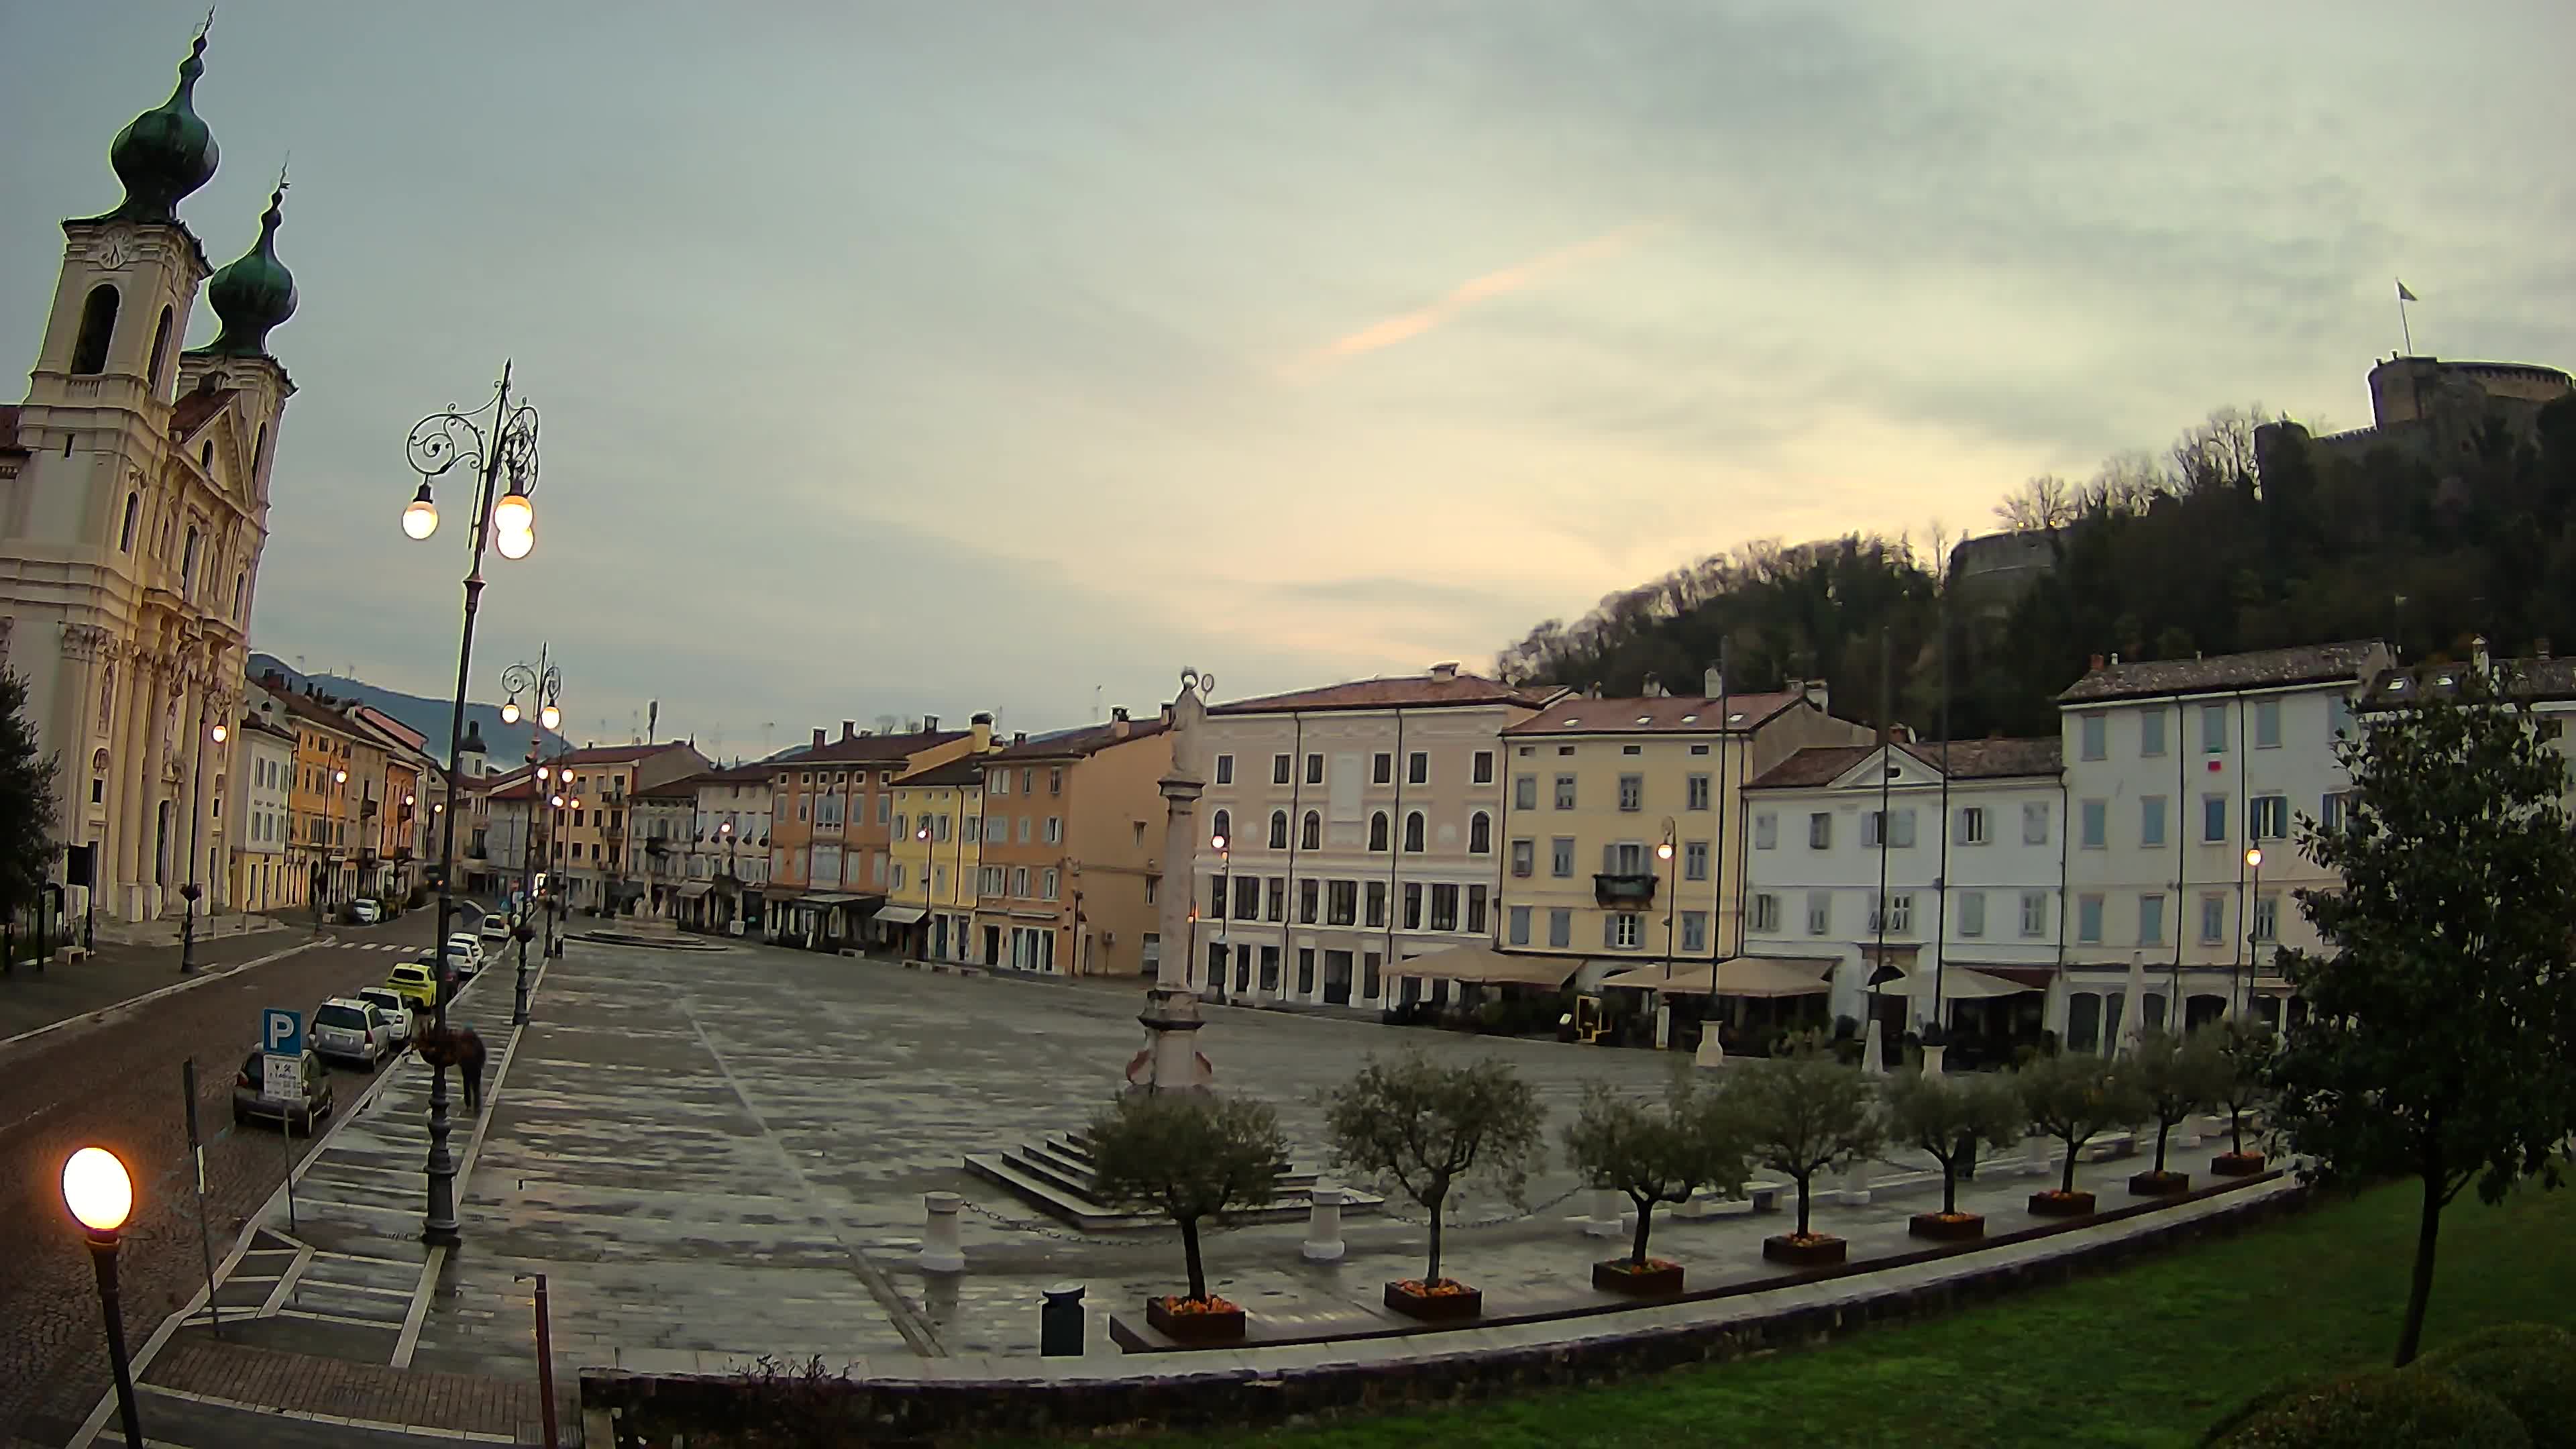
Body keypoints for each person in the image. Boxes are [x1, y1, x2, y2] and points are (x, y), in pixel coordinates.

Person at [454, 1024, 488, 1113]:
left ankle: (468, 1105)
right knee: (476, 1088)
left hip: (466, 1068)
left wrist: (461, 1064)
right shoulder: (477, 1041)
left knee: (467, 1087)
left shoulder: (462, 1041)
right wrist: (481, 1064)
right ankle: (476, 1106)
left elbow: (458, 1054)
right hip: (476, 1068)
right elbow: (482, 1054)